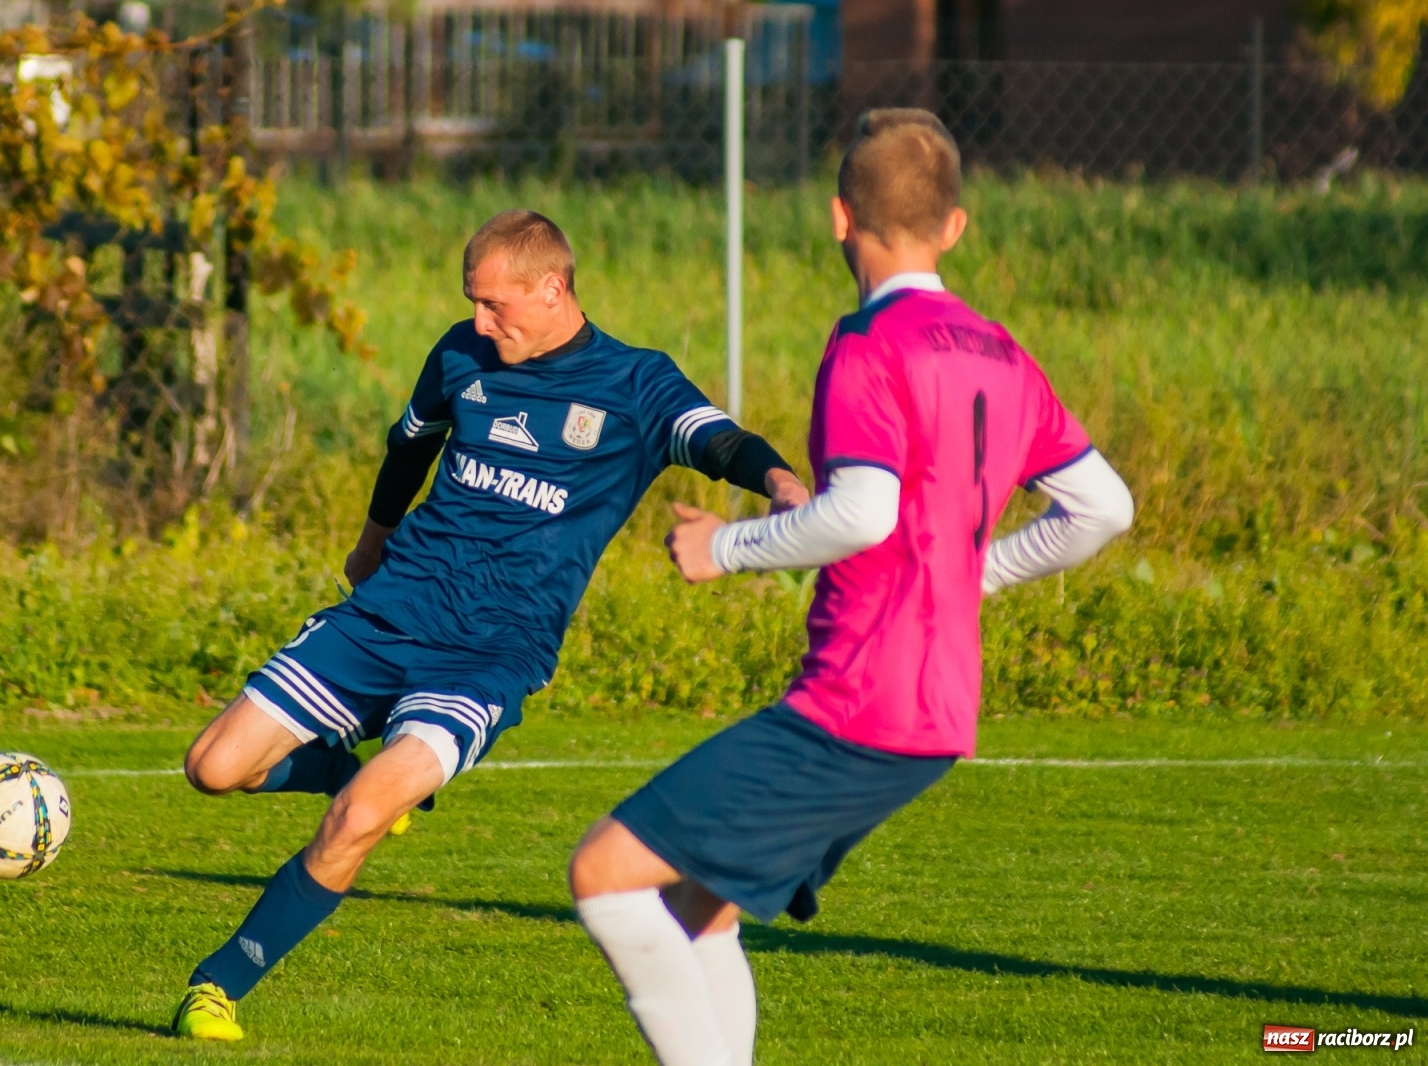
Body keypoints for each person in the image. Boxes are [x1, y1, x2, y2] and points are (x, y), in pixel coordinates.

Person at [568, 109, 1135, 1066]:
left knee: (607, 874)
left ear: (840, 218)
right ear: (955, 226)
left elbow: (865, 511)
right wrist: (978, 573)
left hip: (859, 703)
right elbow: (1103, 507)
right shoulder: (999, 349)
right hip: (940, 711)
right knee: (697, 906)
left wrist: (728, 546)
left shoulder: (869, 344)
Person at [169, 209, 809, 1041]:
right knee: (214, 768)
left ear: (552, 288)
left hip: (488, 654)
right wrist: (369, 549)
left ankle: (216, 986)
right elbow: (409, 450)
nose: (479, 321)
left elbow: (719, 440)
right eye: (471, 302)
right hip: (388, 611)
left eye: (493, 304)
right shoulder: (461, 356)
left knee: (361, 813)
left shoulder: (635, 383)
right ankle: (349, 775)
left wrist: (785, 487)